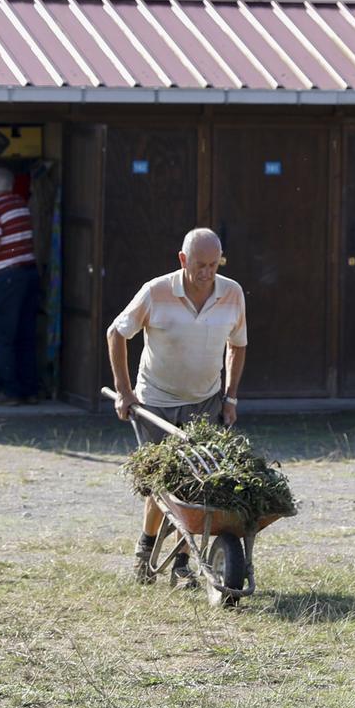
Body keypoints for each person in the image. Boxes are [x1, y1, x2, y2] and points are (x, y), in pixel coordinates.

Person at [108, 228, 248, 586]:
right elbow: (116, 333)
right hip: (157, 401)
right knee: (163, 484)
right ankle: (146, 547)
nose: (207, 273)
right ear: (183, 260)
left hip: (205, 399)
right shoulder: (156, 291)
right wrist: (124, 392)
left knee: (198, 483)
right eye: (199, 265)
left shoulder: (231, 293)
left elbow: (238, 345)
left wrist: (230, 397)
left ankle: (182, 562)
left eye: (214, 265)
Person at [0, 166, 40, 403]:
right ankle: (30, 390)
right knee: (25, 335)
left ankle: (10, 391)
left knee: (1, 335)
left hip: (6, 280)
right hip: (28, 275)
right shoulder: (18, 204)